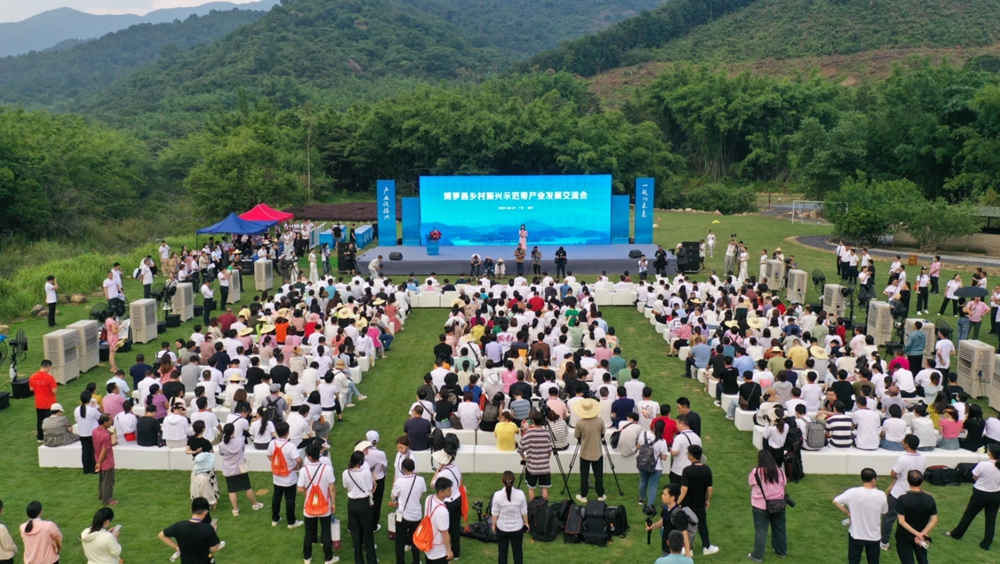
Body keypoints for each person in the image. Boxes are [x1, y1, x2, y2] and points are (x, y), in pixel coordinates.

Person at [945, 443, 1000, 550]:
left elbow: (975, 476)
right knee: (991, 520)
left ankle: (956, 534)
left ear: (990, 453)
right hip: (995, 495)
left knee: (969, 515)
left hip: (980, 494)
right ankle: (986, 544)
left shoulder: (983, 465)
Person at [834, 468, 888, 564]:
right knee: (874, 561)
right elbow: (884, 511)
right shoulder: (881, 495)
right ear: (873, 480)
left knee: (853, 561)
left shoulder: (852, 492)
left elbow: (836, 501)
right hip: (873, 536)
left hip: (856, 534)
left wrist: (848, 512)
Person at [302, 443, 339, 564]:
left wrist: (307, 492)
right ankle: (328, 558)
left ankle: (307, 557)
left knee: (309, 533)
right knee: (326, 531)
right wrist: (333, 504)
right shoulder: (327, 469)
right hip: (325, 505)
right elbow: (332, 488)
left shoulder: (304, 470)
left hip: (309, 506)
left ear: (309, 457)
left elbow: (300, 488)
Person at [678, 444, 718, 555]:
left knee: (687, 525)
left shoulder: (687, 470)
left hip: (687, 503)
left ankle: (688, 548)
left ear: (691, 456)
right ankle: (707, 546)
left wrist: (678, 502)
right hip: (700, 502)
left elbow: (684, 489)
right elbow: (710, 488)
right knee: (702, 524)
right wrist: (708, 500)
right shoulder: (707, 469)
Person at [158, 497, 223, 564]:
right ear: (205, 512)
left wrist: (176, 547)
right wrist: (213, 532)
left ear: (191, 511)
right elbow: (214, 549)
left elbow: (161, 535)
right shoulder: (208, 529)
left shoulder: (179, 526)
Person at [748, 450, 787, 563]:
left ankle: (757, 556)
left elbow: (751, 483)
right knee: (779, 528)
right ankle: (781, 552)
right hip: (778, 504)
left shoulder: (756, 472)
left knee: (761, 531)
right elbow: (784, 483)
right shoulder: (779, 471)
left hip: (760, 506)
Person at [219, 423, 264, 517]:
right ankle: (255, 504)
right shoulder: (240, 440)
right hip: (241, 468)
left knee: (232, 490)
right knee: (247, 487)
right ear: (233, 431)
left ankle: (235, 510)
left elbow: (221, 454)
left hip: (229, 470)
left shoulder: (222, 444)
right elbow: (242, 450)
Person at [895, 470, 937, 564]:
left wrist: (918, 534)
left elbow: (901, 521)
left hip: (904, 537)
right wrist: (922, 534)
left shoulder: (902, 499)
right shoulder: (929, 499)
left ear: (907, 480)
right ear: (922, 482)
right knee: (923, 560)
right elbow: (934, 520)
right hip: (922, 537)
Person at [267, 421, 304, 529]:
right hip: (289, 478)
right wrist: (298, 466)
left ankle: (275, 519)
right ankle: (291, 522)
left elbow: (269, 455)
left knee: (276, 498)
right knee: (290, 500)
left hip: (277, 477)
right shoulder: (290, 446)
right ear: (288, 432)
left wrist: (276, 464)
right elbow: (298, 459)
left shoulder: (272, 443)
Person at [390, 457, 425, 564]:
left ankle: (400, 562)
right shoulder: (421, 480)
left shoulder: (400, 482)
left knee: (400, 541)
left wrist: (396, 502)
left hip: (402, 515)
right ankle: (416, 561)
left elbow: (393, 495)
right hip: (416, 515)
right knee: (415, 540)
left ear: (404, 469)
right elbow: (422, 493)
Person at [572, 398, 607, 503]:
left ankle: (583, 495)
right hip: (597, 452)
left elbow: (577, 436)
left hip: (585, 453)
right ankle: (600, 495)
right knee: (598, 475)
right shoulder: (600, 421)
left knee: (584, 475)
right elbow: (602, 434)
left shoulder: (580, 423)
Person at [431, 451, 464, 560]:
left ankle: (447, 551)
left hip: (448, 502)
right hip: (457, 498)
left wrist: (437, 471)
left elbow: (432, 484)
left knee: (445, 528)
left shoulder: (442, 473)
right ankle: (457, 553)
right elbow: (460, 482)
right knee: (456, 527)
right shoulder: (456, 467)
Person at [491, 470, 529, 564]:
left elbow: (495, 512)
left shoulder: (497, 495)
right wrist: (526, 522)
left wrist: (493, 525)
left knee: (502, 553)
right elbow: (524, 511)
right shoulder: (520, 494)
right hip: (517, 529)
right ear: (514, 481)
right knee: (518, 553)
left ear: (502, 481)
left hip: (502, 529)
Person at [518, 410, 554, 501]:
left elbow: (520, 449)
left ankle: (532, 507)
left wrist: (523, 458)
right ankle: (544, 507)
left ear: (533, 421)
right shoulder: (546, 433)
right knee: (544, 488)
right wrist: (547, 459)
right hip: (544, 466)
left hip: (532, 467)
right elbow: (549, 450)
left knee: (531, 488)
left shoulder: (529, 433)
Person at [638, 420, 671, 509]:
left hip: (643, 463)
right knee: (653, 486)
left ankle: (641, 499)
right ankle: (650, 505)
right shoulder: (662, 441)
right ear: (663, 429)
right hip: (656, 466)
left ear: (653, 426)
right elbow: (664, 457)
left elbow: (638, 446)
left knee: (643, 481)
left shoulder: (644, 434)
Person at [423, 477, 454, 564]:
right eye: (448, 490)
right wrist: (449, 550)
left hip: (428, 543)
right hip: (438, 551)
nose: (451, 491)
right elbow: (444, 533)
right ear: (441, 493)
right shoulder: (443, 511)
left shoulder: (429, 498)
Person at [29, 360, 58, 443]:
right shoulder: (50, 378)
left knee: (40, 420)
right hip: (49, 404)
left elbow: (31, 389)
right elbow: (54, 390)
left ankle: (40, 437)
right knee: (51, 421)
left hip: (39, 403)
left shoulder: (33, 376)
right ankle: (51, 436)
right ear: (48, 367)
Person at [93, 414, 117, 506]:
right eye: (110, 420)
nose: (111, 422)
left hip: (98, 459)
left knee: (102, 480)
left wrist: (98, 462)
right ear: (105, 422)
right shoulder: (106, 435)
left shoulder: (95, 431)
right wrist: (100, 462)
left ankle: (101, 495)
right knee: (108, 482)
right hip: (106, 461)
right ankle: (107, 500)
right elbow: (104, 451)